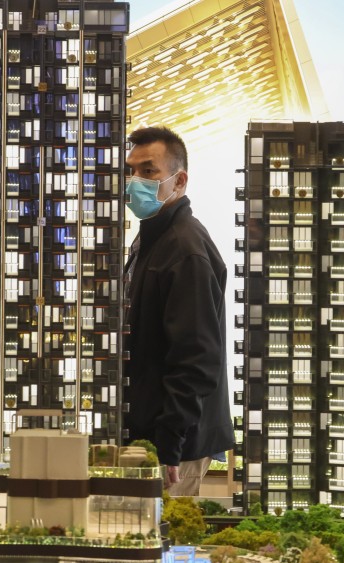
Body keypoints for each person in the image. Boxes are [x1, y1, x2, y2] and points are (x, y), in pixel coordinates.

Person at [122, 126, 235, 495]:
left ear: (179, 180)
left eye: (149, 171)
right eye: (130, 171)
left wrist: (169, 442)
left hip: (174, 447)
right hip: (155, 437)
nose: (135, 180)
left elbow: (197, 358)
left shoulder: (185, 249)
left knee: (156, 544)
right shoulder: (152, 239)